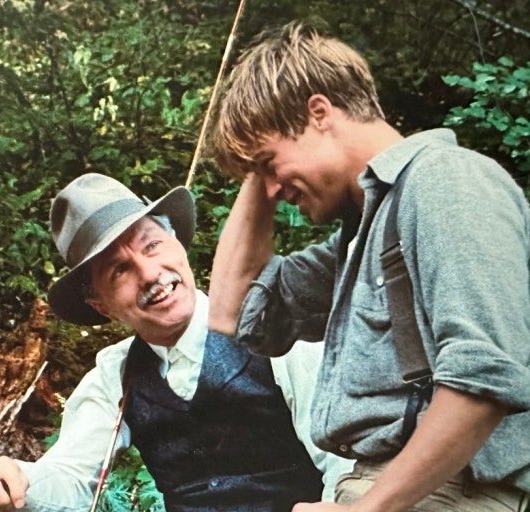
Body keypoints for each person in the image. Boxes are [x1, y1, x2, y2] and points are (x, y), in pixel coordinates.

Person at [207, 22, 530, 512]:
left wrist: (367, 509)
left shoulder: (447, 181)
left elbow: (483, 379)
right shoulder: (362, 237)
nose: (272, 191)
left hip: (454, 491)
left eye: (269, 164)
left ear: (319, 113)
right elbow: (231, 312)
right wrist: (257, 168)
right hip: (404, 492)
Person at [0, 173, 352, 512]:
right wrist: (16, 479)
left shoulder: (273, 328)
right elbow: (71, 477)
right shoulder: (115, 376)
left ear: (178, 243)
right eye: (120, 270)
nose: (150, 274)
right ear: (102, 306)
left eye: (152, 245)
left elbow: (344, 460)